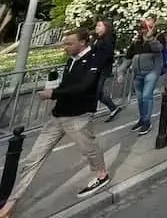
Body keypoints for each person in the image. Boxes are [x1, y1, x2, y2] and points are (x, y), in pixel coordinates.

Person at [0, 28, 110, 218]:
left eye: (69, 43)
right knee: (33, 158)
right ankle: (10, 202)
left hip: (79, 116)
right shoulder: (71, 61)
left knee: (89, 150)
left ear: (82, 43)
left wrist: (54, 93)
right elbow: (68, 85)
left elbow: (85, 86)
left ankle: (101, 175)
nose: (64, 46)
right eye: (64, 42)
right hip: (58, 116)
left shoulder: (94, 59)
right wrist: (54, 89)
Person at [119, 18, 163, 136]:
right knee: (140, 98)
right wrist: (121, 72)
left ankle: (147, 122)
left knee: (146, 96)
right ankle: (142, 119)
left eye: (148, 27)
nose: (145, 29)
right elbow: (128, 58)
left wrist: (150, 38)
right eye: (143, 27)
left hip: (151, 72)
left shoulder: (158, 37)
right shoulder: (136, 41)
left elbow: (158, 48)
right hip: (138, 73)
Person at [91, 19, 121, 121]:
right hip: (96, 68)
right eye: (97, 25)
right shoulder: (96, 39)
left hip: (102, 69)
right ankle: (113, 107)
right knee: (96, 91)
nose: (97, 27)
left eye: (99, 26)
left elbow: (107, 55)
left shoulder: (107, 39)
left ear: (106, 28)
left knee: (97, 91)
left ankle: (91, 112)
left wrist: (97, 62)